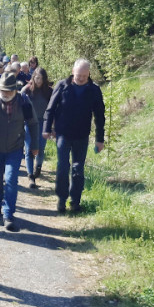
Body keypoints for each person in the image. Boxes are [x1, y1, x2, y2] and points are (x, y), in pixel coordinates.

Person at [0, 72, 39, 232]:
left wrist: (34, 144)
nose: (5, 93)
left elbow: (33, 123)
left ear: (14, 90)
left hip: (15, 148)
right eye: (2, 90)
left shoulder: (24, 101)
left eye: (8, 91)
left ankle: (8, 215)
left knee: (11, 179)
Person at [43, 59, 105, 213]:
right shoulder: (62, 86)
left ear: (89, 74)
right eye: (78, 75)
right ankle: (61, 199)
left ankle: (75, 201)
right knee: (63, 167)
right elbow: (50, 109)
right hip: (63, 134)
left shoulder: (94, 90)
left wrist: (99, 139)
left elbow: (99, 116)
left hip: (82, 135)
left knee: (78, 169)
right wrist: (46, 128)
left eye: (84, 76)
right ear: (73, 72)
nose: (81, 78)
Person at [21, 68, 54, 188]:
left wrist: (52, 125)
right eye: (36, 77)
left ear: (44, 79)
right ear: (33, 77)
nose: (38, 80)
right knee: (29, 148)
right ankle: (30, 176)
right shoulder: (27, 90)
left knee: (40, 148)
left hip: (43, 122)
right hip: (28, 123)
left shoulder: (49, 92)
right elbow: (19, 105)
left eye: (41, 78)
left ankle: (38, 166)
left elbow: (53, 109)